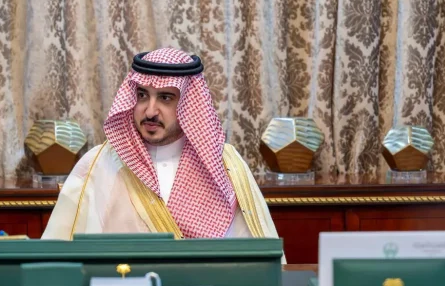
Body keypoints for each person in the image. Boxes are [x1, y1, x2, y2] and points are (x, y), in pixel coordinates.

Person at [41, 47, 280, 243]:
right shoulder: (98, 163)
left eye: (165, 98)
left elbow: (251, 252)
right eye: (142, 95)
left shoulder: (226, 165)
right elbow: (61, 250)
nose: (150, 111)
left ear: (188, 104)